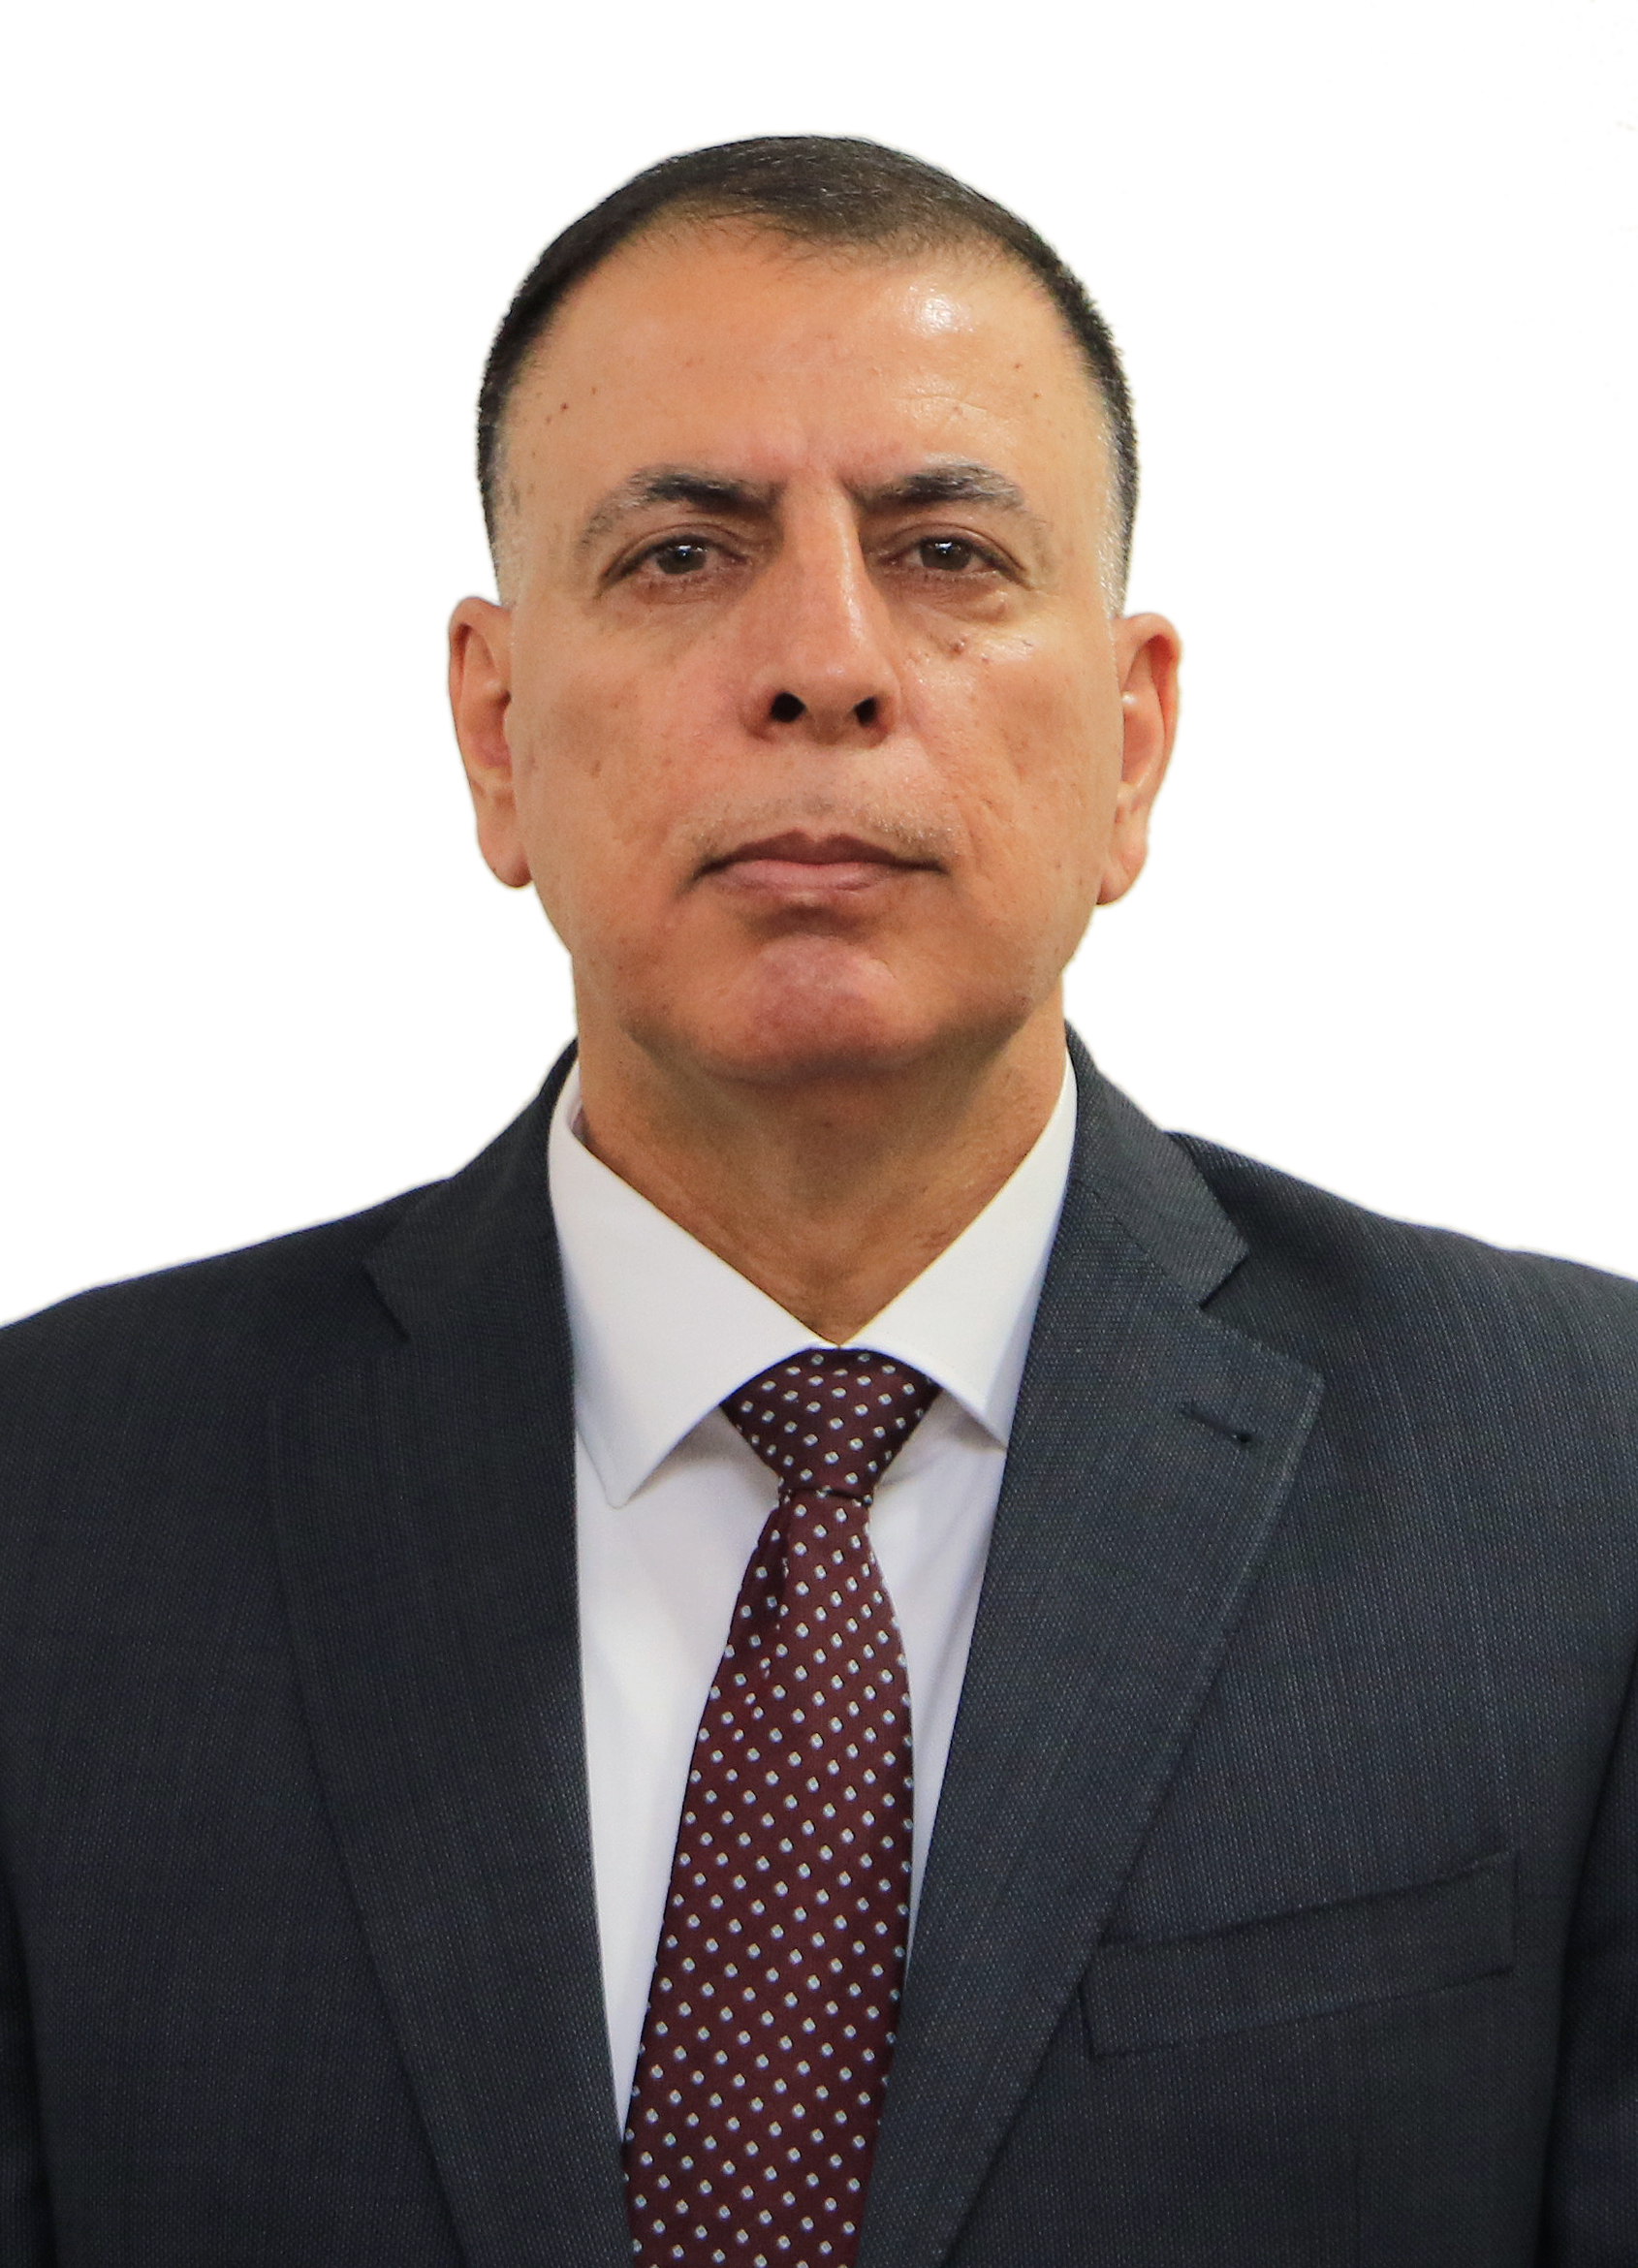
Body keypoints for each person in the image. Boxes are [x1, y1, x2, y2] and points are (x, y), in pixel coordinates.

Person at [1, 133, 1634, 2268]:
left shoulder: (1580, 1480)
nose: (822, 662)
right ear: (494, 733)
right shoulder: (54, 1505)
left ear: (1130, 743)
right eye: (682, 554)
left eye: (945, 552)